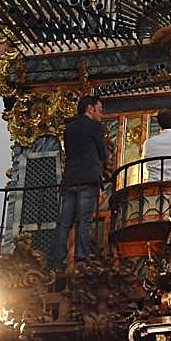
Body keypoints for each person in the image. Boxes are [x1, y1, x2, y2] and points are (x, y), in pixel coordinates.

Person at [50, 95, 107, 270]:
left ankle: (58, 260)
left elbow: (69, 152)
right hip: (88, 177)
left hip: (70, 179)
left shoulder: (69, 128)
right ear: (90, 108)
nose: (101, 114)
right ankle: (82, 257)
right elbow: (102, 153)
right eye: (99, 110)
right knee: (84, 220)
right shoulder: (95, 126)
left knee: (65, 222)